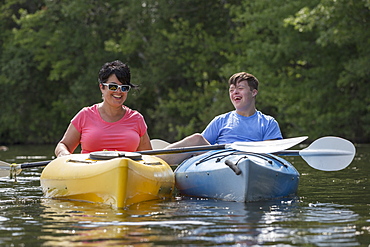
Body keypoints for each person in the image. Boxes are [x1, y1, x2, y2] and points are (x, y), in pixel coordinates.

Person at [159, 72, 282, 164]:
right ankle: (153, 160)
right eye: (232, 90)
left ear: (254, 92)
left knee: (267, 148)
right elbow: (199, 148)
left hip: (254, 162)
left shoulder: (268, 123)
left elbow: (271, 154)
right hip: (220, 162)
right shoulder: (221, 120)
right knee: (196, 139)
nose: (235, 92)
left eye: (240, 88)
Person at [55, 60, 152, 157]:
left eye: (124, 88)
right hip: (91, 169)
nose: (118, 91)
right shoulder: (85, 115)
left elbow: (149, 157)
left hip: (127, 169)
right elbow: (63, 145)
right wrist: (63, 154)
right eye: (113, 87)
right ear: (102, 87)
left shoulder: (137, 119)